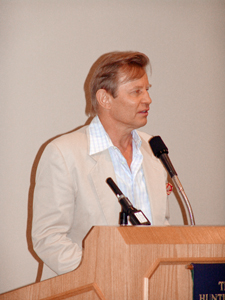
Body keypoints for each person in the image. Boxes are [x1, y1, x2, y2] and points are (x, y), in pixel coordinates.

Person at [32, 51, 169, 280]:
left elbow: (160, 226)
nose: (148, 99)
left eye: (147, 89)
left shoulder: (153, 149)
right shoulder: (63, 153)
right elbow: (48, 238)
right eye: (137, 91)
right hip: (88, 288)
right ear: (105, 98)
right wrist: (104, 274)